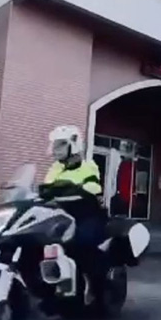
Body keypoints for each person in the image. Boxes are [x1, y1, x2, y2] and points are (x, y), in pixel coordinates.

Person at [43, 125, 107, 297]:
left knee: (83, 243)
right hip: (62, 215)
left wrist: (77, 189)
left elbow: (93, 187)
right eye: (54, 145)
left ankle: (95, 287)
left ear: (74, 145)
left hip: (86, 213)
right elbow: (46, 188)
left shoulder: (88, 166)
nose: (56, 149)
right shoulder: (55, 168)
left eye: (60, 144)